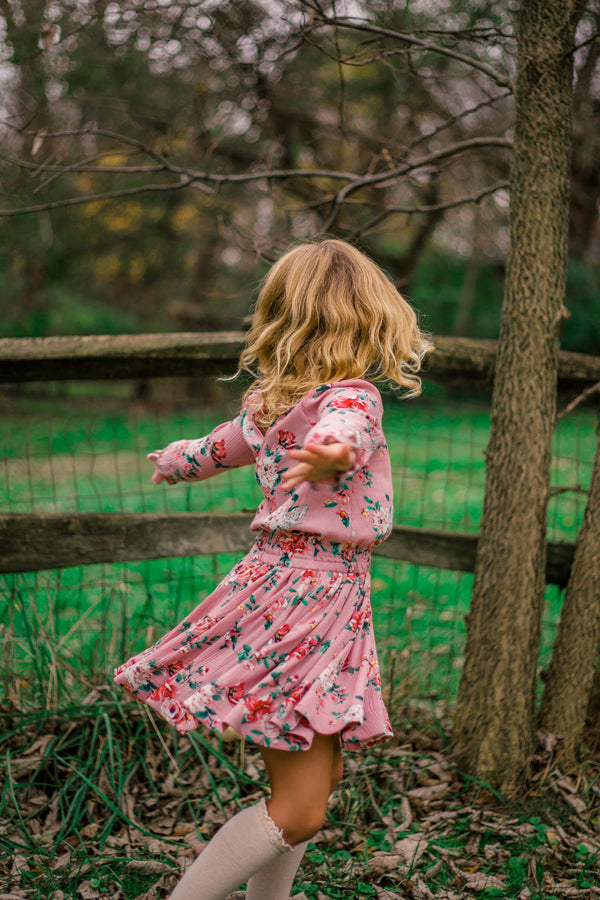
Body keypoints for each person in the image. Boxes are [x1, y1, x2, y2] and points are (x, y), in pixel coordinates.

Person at [114, 238, 432, 900]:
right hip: (308, 603)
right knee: (300, 809)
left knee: (312, 789)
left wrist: (174, 459)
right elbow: (343, 431)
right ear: (368, 318)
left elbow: (213, 450)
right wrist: (329, 452)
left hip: (289, 592)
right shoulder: (353, 398)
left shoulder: (269, 405)